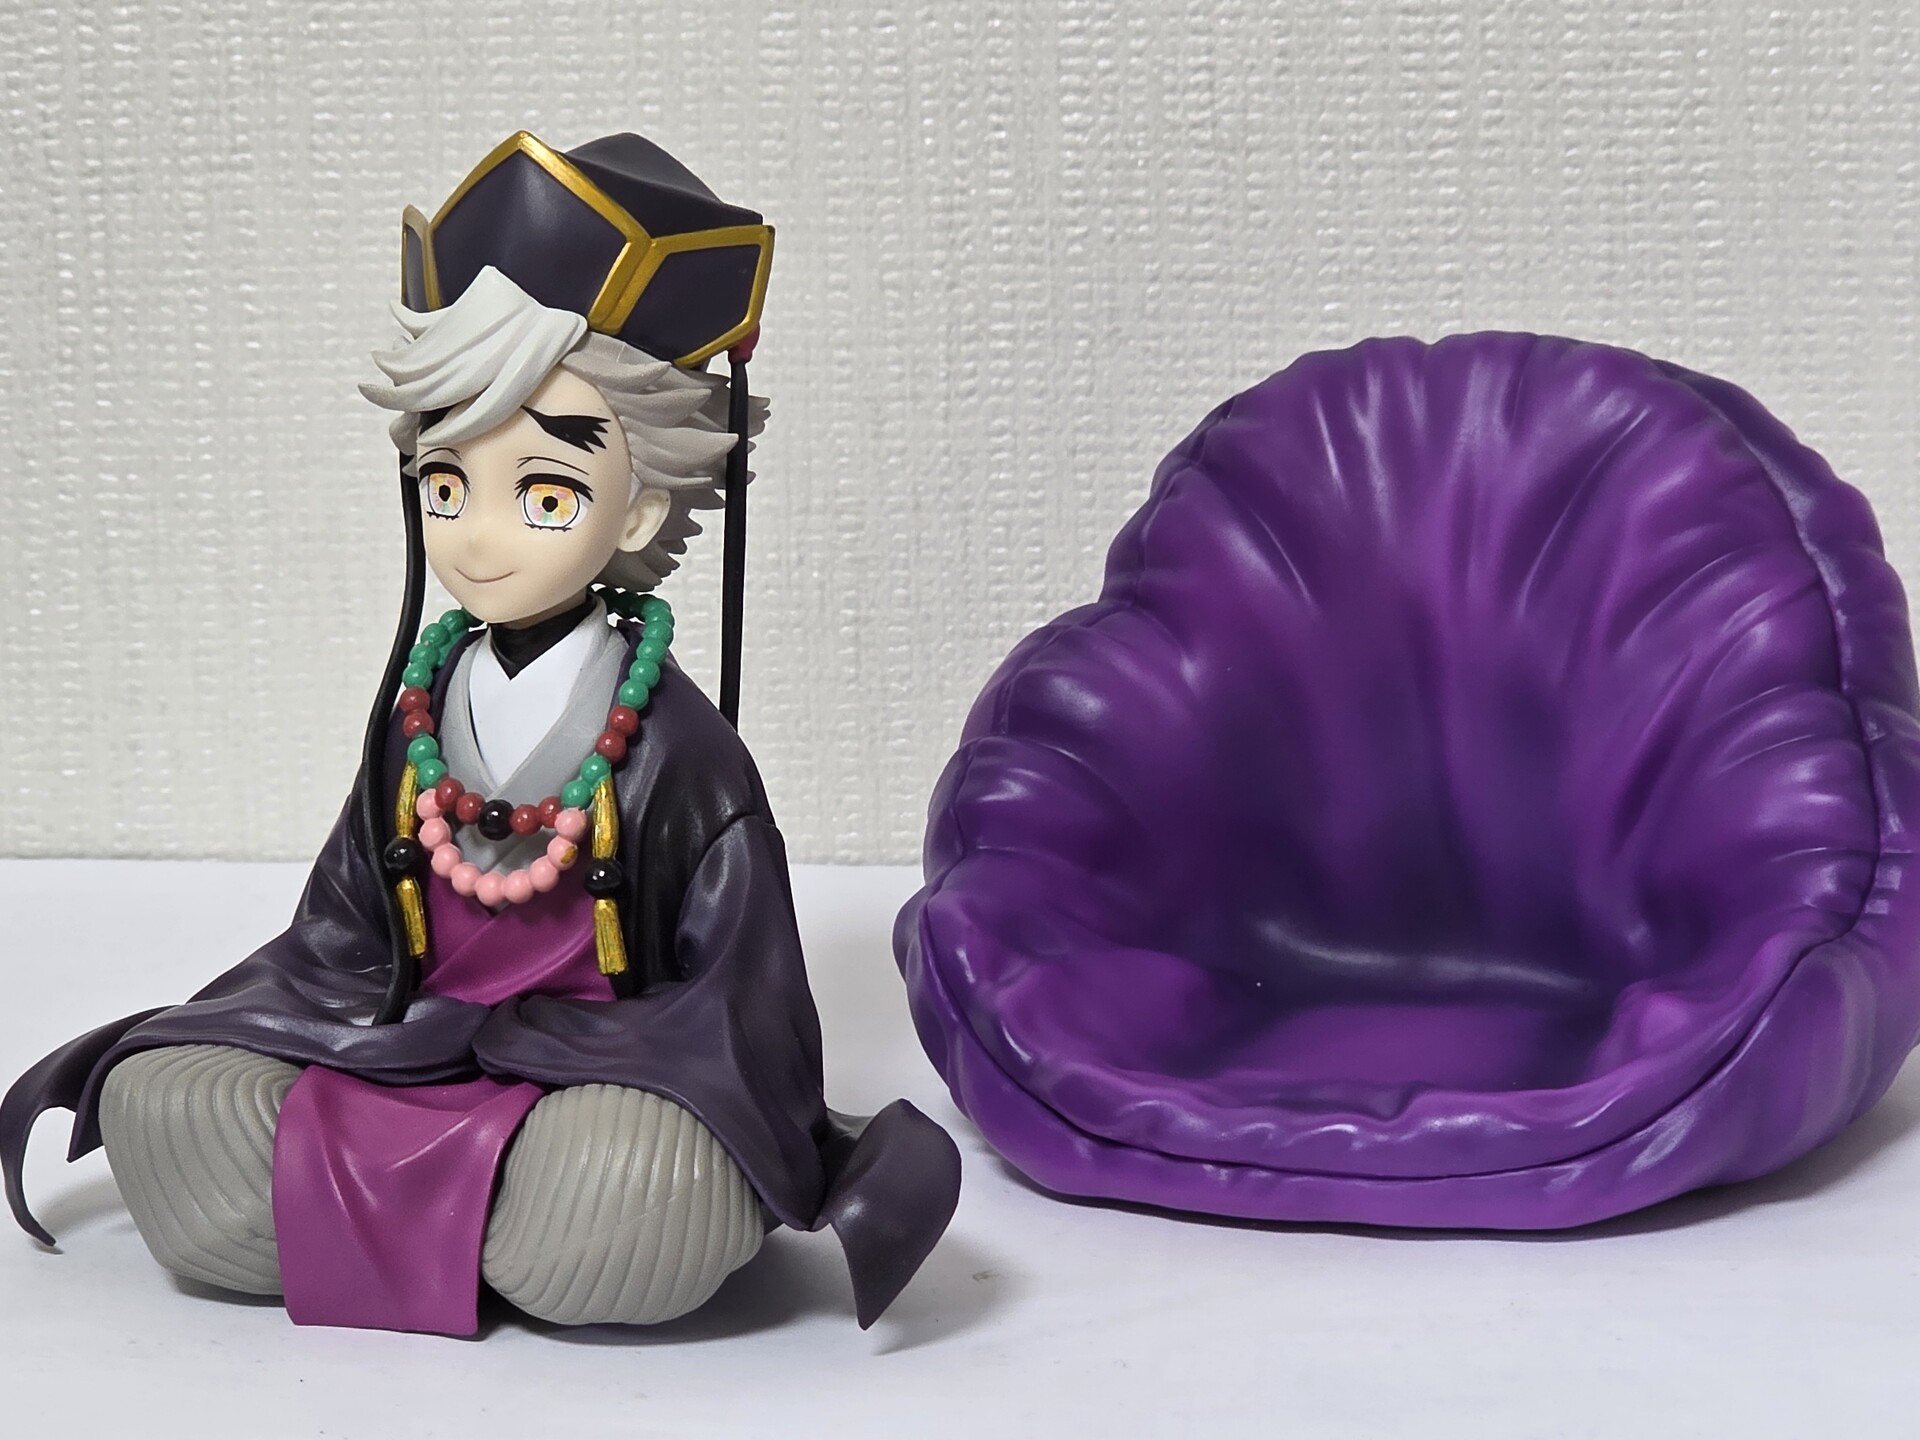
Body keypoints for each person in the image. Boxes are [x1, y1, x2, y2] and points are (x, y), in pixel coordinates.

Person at [0, 131, 960, 1337]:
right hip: (404, 1041)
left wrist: (642, 1075)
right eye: (448, 485)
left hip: (596, 1075)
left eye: (544, 492)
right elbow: (341, 934)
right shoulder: (415, 712)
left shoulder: (681, 754)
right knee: (167, 1096)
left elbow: (740, 1005)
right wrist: (312, 1024)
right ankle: (482, 1238)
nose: (478, 536)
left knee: (647, 1180)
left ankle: (418, 1223)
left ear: (639, 504)